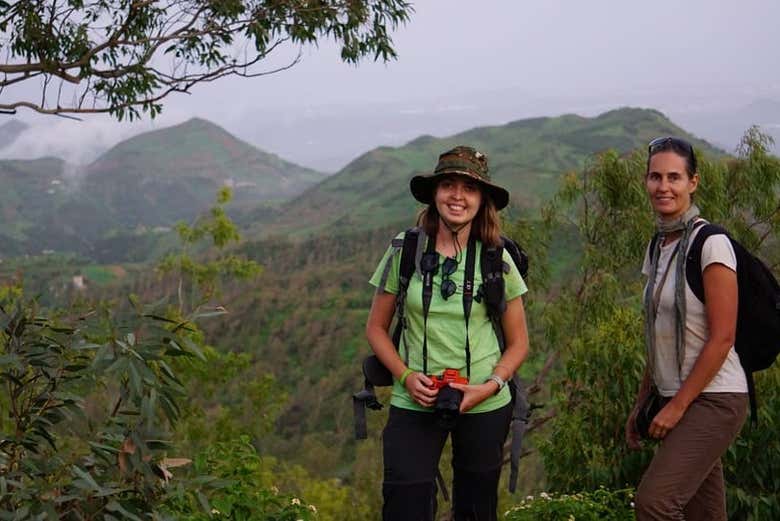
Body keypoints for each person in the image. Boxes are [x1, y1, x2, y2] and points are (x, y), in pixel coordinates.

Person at [366, 145, 529, 521]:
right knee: (404, 503)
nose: (457, 196)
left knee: (475, 508)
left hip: (484, 400)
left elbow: (519, 343)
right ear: (435, 193)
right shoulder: (405, 250)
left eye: (469, 189)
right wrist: (406, 377)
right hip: (415, 397)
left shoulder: (496, 260)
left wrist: (490, 386)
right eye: (449, 185)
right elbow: (375, 328)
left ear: (481, 200)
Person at [626, 136, 748, 520]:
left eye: (674, 177)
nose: (664, 187)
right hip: (674, 394)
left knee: (654, 503)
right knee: (703, 514)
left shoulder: (710, 244)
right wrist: (644, 401)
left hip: (714, 397)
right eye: (655, 177)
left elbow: (723, 337)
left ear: (692, 182)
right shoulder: (658, 245)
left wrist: (678, 407)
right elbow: (657, 332)